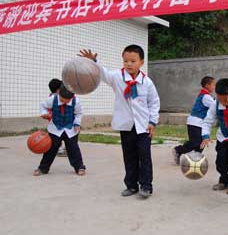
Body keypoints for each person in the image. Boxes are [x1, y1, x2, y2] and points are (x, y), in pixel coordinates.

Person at [79, 45, 160, 199]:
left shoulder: (147, 82)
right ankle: (131, 185)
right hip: (126, 126)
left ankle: (146, 186)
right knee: (129, 157)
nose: (129, 64)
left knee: (145, 158)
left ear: (141, 62)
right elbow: (103, 74)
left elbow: (154, 102)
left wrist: (153, 122)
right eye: (125, 61)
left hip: (143, 127)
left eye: (133, 61)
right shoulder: (117, 77)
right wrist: (93, 62)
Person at [34, 84, 86, 176]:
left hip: (70, 129)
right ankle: (43, 168)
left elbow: (78, 114)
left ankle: (79, 167)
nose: (64, 102)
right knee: (50, 149)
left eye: (67, 101)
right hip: (55, 128)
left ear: (72, 96)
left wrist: (77, 124)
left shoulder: (76, 101)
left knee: (74, 149)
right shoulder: (52, 99)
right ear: (58, 93)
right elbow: (43, 106)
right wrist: (44, 113)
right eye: (62, 100)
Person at [172, 76, 215, 164]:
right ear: (207, 85)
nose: (214, 87)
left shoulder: (206, 96)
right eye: (213, 84)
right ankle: (178, 150)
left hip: (199, 123)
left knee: (201, 143)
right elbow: (216, 106)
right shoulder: (206, 97)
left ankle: (195, 158)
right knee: (195, 142)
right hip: (195, 123)